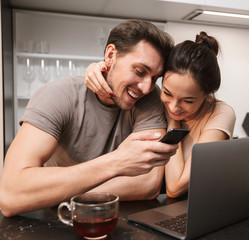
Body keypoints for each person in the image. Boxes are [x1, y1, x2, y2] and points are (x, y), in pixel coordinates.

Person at [0, 19, 178, 217]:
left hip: (108, 218)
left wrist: (55, 193)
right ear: (111, 56)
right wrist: (117, 162)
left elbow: (148, 183)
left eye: (154, 78)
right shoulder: (57, 96)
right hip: (60, 222)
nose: (146, 87)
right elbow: (10, 195)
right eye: (139, 71)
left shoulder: (149, 97)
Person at [84, 31, 236, 198]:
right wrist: (97, 68)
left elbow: (175, 187)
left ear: (207, 94)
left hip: (202, 204)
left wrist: (172, 122)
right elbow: (121, 81)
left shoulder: (220, 113)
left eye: (188, 100)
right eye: (167, 93)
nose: (174, 106)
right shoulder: (151, 96)